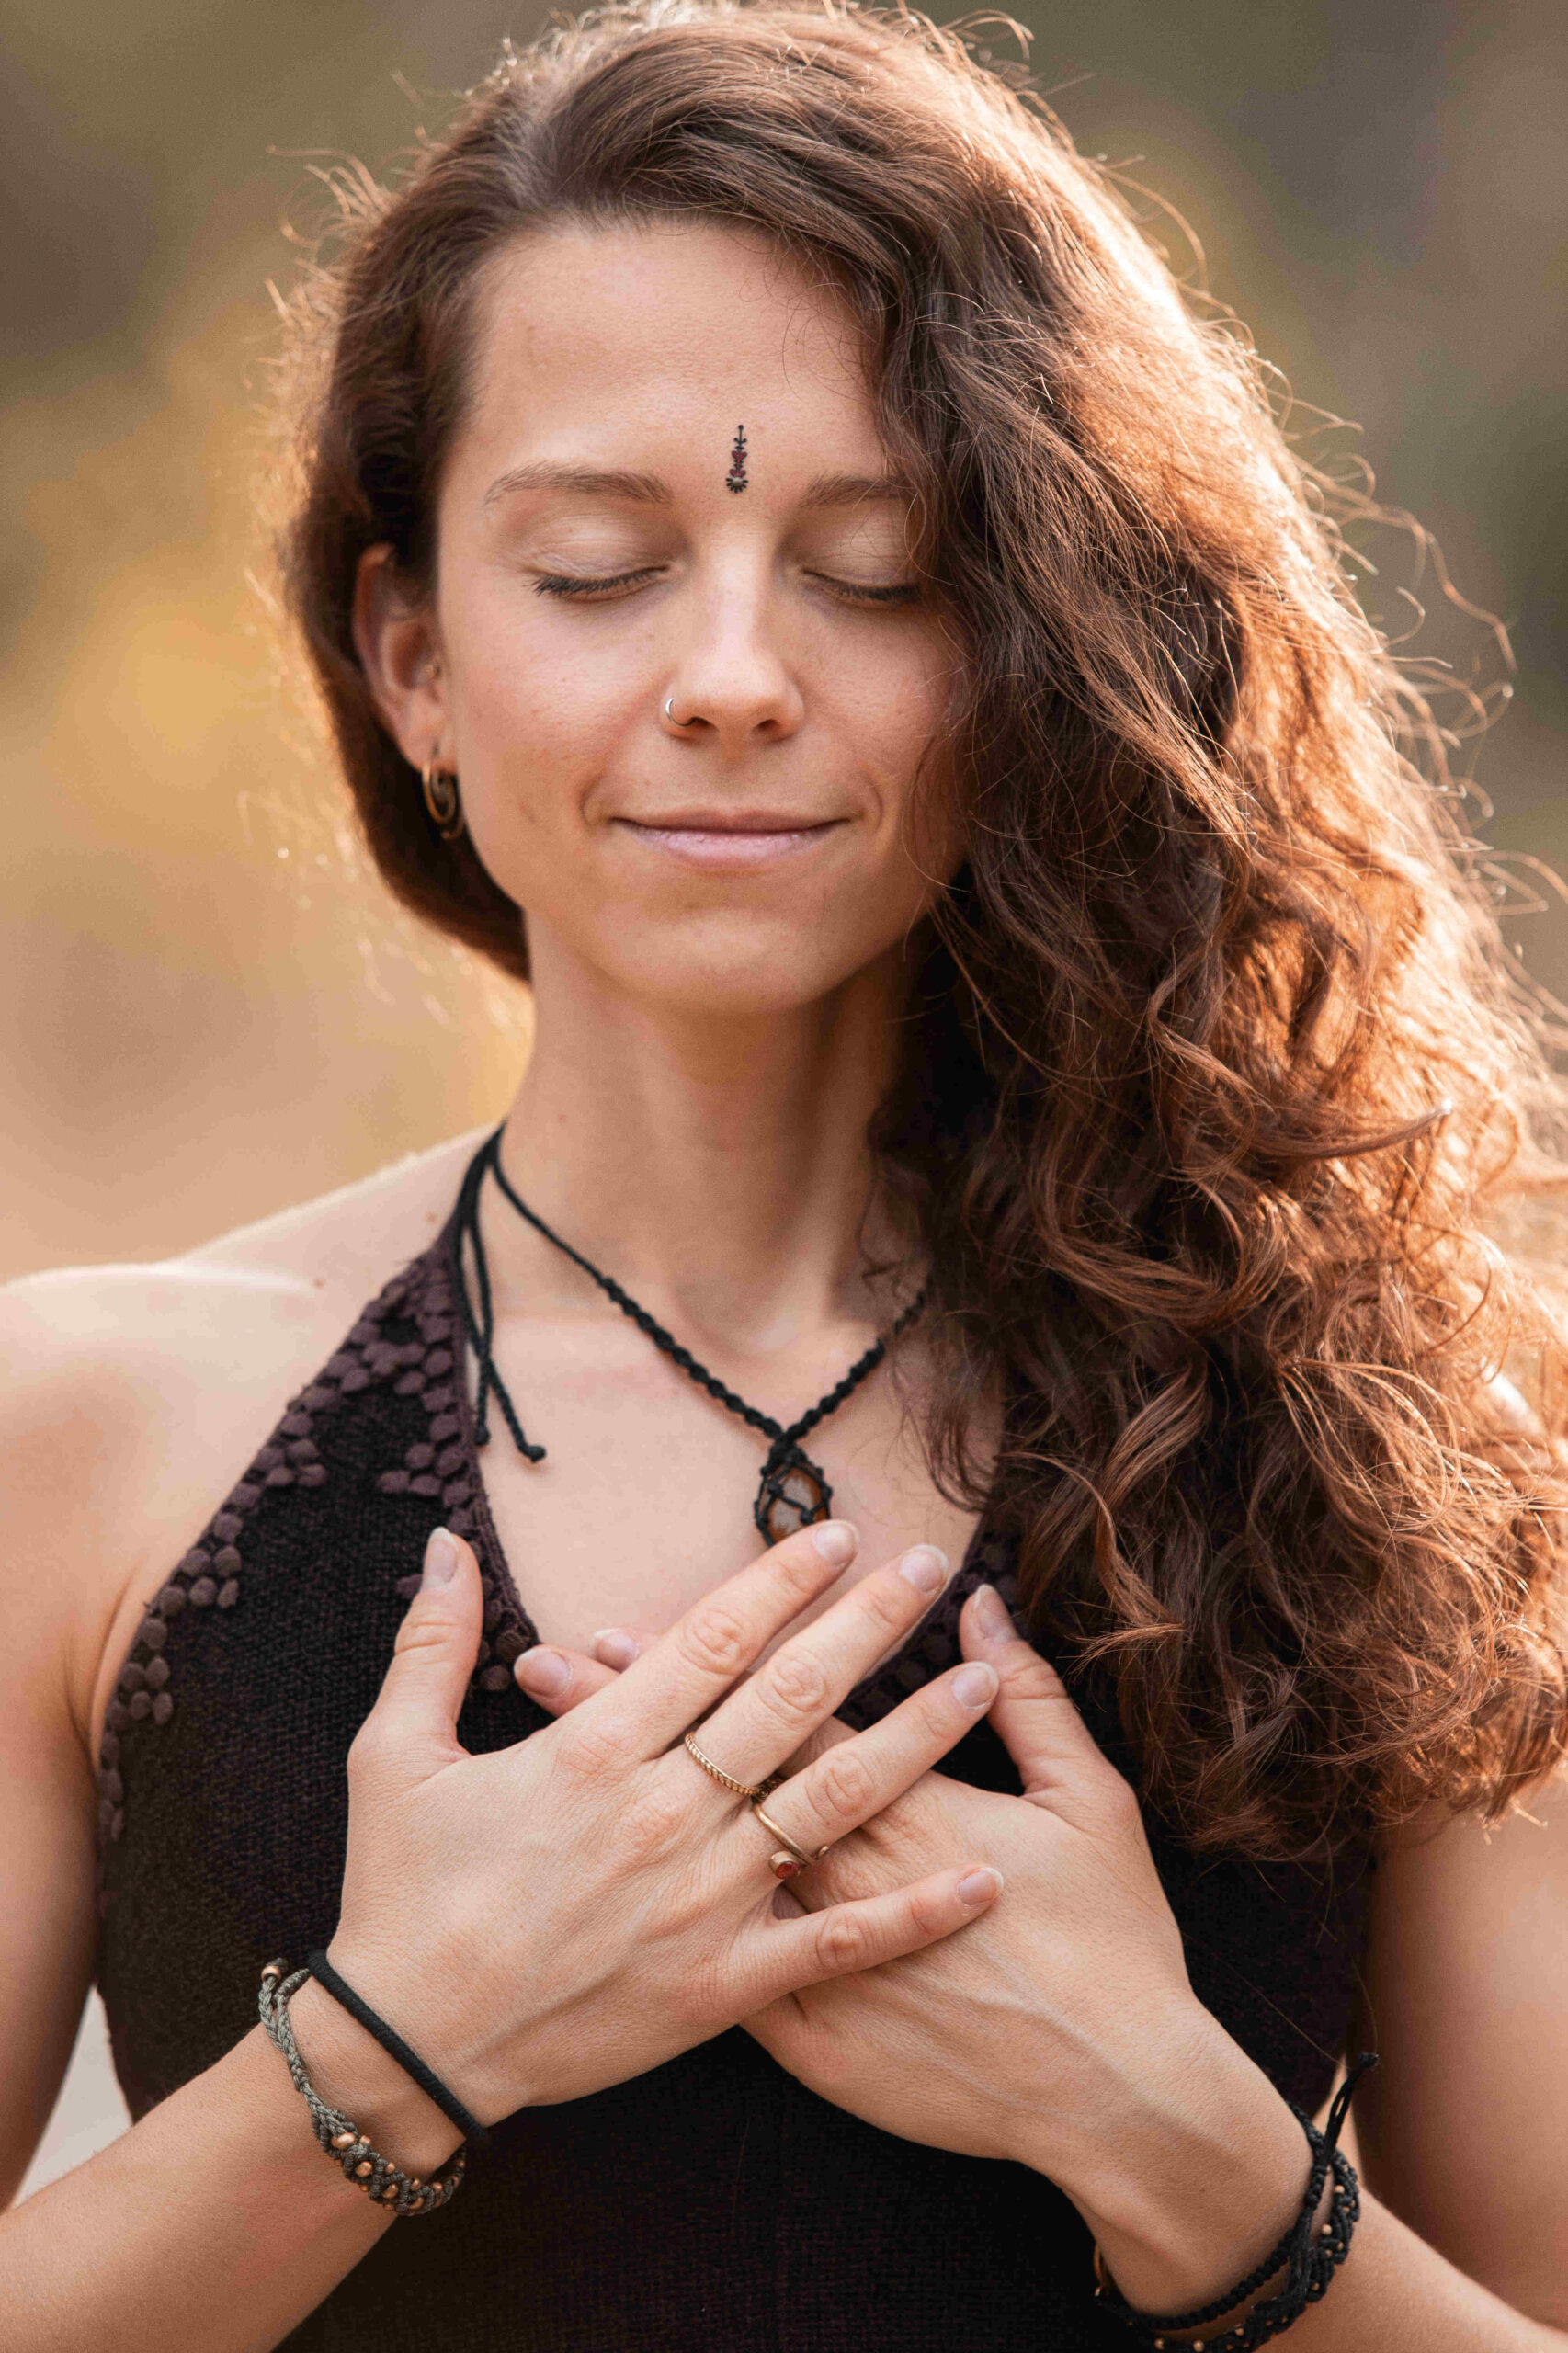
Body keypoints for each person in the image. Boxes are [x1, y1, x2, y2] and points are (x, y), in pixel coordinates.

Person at [3, 4, 1565, 2346]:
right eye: (602, 565)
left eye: (876, 567)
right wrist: (406, 2041)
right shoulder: (84, 1434)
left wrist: (1167, 2128)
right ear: (410, 654)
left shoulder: (1398, 1433)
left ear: (1040, 641)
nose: (733, 675)